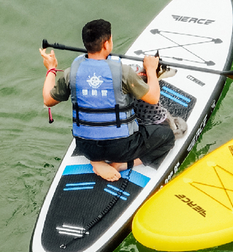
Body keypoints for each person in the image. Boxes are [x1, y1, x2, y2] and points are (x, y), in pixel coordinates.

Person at [40, 19, 175, 182]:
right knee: (167, 136)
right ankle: (122, 164)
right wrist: (151, 69)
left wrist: (51, 68)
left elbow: (48, 100)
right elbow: (153, 98)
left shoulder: (71, 73)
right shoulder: (123, 72)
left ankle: (96, 161)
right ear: (107, 44)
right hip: (121, 148)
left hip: (85, 147)